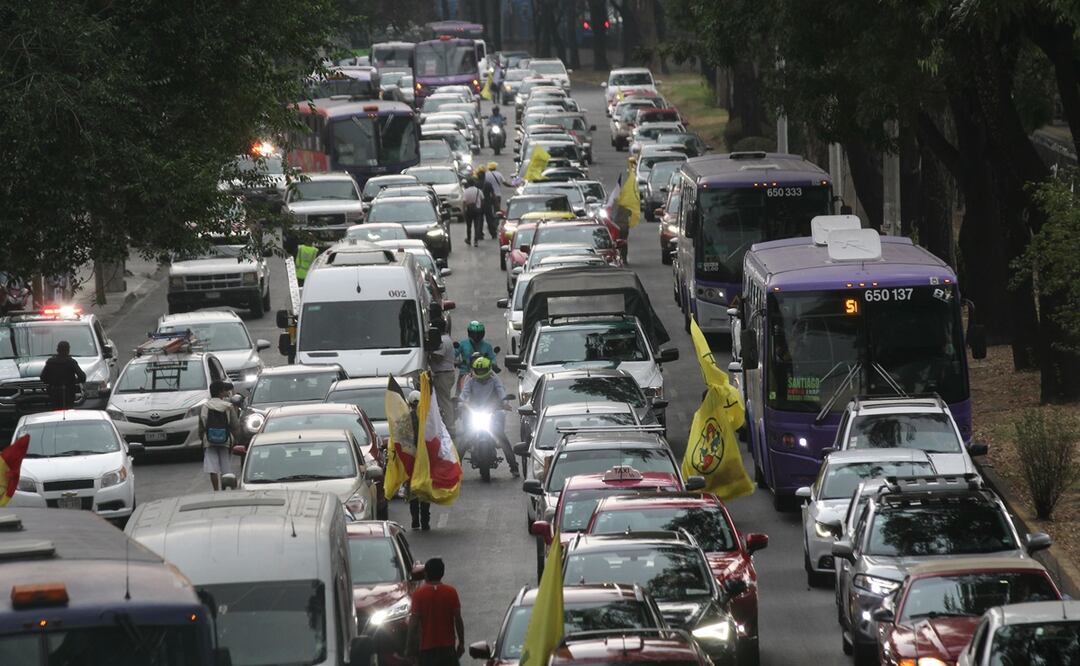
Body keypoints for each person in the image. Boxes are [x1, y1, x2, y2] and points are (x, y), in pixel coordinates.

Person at [459, 356, 518, 478]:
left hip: (492, 412)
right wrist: (460, 403)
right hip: (475, 412)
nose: (480, 374)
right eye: (478, 371)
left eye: (483, 371)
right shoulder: (470, 380)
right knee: (464, 440)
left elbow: (501, 391)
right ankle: (455, 469)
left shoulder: (494, 378)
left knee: (502, 438)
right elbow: (464, 394)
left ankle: (513, 466)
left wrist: (505, 403)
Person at [407, 557, 465, 666]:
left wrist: (410, 649)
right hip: (448, 649)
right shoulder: (451, 592)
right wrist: (461, 643)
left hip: (427, 650)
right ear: (442, 573)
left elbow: (413, 624)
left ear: (426, 574)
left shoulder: (418, 595)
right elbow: (458, 619)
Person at [199, 381, 240, 491]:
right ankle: (225, 488)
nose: (226, 392)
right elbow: (235, 424)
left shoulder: (205, 406)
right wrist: (236, 439)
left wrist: (202, 439)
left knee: (212, 468)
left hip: (209, 439)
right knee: (225, 466)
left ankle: (216, 490)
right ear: (221, 392)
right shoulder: (228, 406)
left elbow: (203, 423)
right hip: (225, 439)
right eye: (224, 390)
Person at [407, 390, 432, 530]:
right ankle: (425, 521)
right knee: (424, 491)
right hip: (424, 461)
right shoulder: (428, 418)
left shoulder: (405, 419)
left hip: (412, 460)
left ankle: (415, 520)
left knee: (413, 492)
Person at [40, 341, 86, 409]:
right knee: (68, 413)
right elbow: (82, 377)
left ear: (57, 350)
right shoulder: (71, 362)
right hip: (68, 393)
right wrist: (72, 382)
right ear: (68, 350)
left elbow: (43, 377)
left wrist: (52, 382)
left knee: (55, 413)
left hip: (54, 393)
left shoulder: (50, 362)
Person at [430, 332, 457, 431]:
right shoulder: (447, 338)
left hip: (443, 374)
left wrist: (428, 352)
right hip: (444, 374)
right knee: (441, 400)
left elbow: (438, 358)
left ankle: (450, 426)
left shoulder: (443, 341)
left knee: (444, 401)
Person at [483, 160, 505, 238]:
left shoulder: (486, 175)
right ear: (495, 167)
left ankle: (491, 224)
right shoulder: (499, 174)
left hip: (488, 197)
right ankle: (495, 225)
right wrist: (513, 185)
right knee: (497, 212)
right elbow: (504, 183)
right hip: (497, 196)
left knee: (489, 213)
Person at [462, 178, 484, 246]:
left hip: (469, 210)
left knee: (469, 226)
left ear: (468, 183)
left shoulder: (466, 191)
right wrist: (481, 208)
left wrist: (463, 211)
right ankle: (476, 241)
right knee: (476, 226)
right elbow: (483, 199)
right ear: (474, 183)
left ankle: (468, 239)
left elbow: (464, 202)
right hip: (477, 210)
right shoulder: (478, 190)